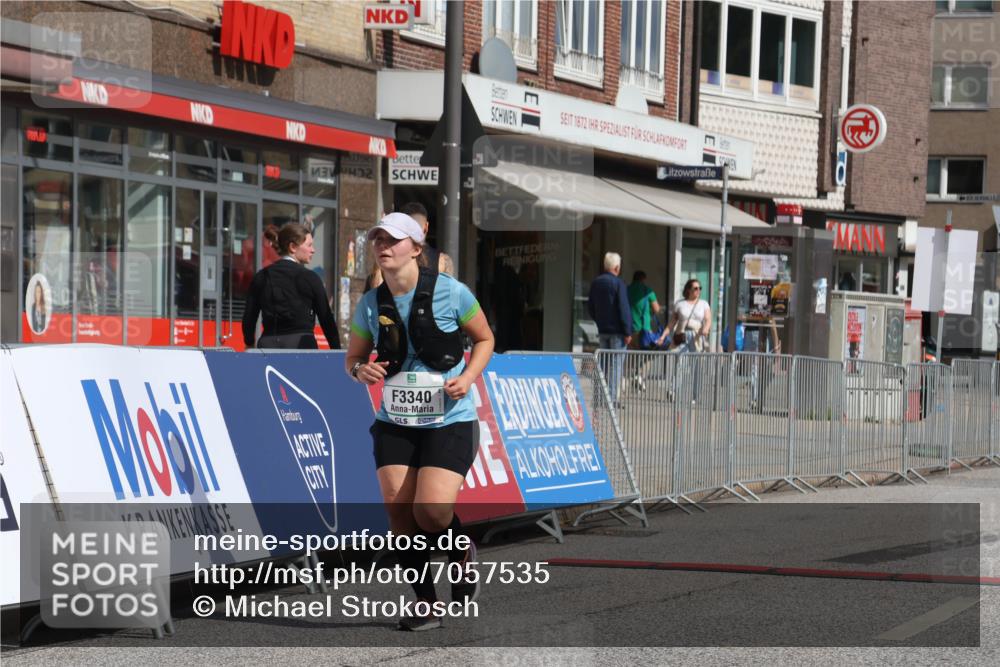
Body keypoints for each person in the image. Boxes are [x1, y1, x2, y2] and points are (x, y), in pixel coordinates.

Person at [344, 212, 494, 631]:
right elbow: (352, 359)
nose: (382, 246)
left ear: (415, 247)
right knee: (399, 515)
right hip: (394, 421)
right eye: (377, 240)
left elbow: (485, 339)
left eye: (392, 239)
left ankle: (461, 552)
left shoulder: (452, 293)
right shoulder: (370, 302)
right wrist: (361, 371)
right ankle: (426, 604)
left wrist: (467, 377)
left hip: (449, 419)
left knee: (431, 510)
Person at [242, 222, 341, 350]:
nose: (313, 250)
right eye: (309, 245)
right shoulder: (310, 278)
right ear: (293, 247)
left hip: (269, 347)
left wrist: (249, 342)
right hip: (302, 347)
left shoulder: (261, 277)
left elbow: (249, 317)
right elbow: (327, 320)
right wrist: (337, 351)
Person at [366, 202, 454, 290]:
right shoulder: (441, 261)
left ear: (416, 250)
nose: (383, 245)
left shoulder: (384, 261)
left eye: (393, 238)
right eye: (379, 239)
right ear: (426, 227)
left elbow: (375, 289)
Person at [588, 252, 632, 404]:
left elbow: (591, 306)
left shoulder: (596, 282)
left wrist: (599, 320)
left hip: (603, 331)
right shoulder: (619, 283)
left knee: (603, 365)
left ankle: (600, 397)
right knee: (616, 366)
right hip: (618, 333)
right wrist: (627, 331)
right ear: (617, 267)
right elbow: (624, 308)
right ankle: (611, 399)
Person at [658, 279, 712, 353]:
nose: (698, 290)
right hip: (681, 335)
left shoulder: (704, 304)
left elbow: (708, 319)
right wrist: (662, 337)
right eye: (696, 288)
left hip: (697, 336)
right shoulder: (680, 304)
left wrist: (706, 328)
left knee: (695, 361)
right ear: (688, 290)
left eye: (700, 288)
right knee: (681, 360)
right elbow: (672, 323)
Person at [628, 270, 662, 349]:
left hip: (629, 330)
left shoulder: (626, 289)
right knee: (645, 357)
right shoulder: (648, 291)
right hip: (645, 330)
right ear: (643, 279)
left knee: (631, 358)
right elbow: (657, 309)